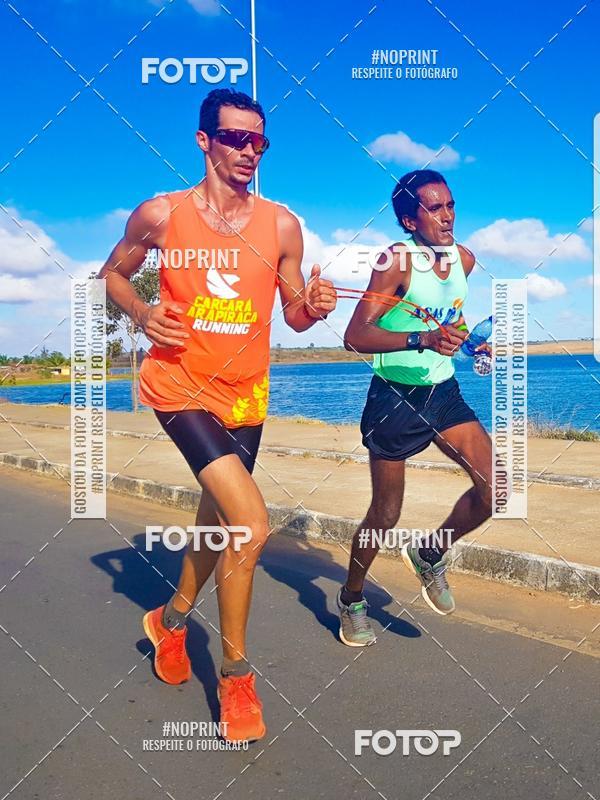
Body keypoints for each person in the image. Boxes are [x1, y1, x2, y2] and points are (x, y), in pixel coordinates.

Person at [99, 88, 336, 740]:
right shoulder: (162, 214)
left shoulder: (283, 225)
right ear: (204, 140)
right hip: (179, 387)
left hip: (246, 394)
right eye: (235, 137)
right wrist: (144, 314)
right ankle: (236, 675)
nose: (248, 151)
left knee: (218, 520)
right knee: (251, 525)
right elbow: (113, 275)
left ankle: (168, 624)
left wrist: (312, 306)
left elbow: (292, 311)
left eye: (258, 140)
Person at [336, 169, 492, 647]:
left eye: (450, 205)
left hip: (443, 394)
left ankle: (430, 553)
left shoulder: (463, 258)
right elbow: (355, 336)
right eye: (434, 208)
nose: (447, 216)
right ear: (409, 218)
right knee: (385, 513)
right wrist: (423, 338)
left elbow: (454, 314)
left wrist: (468, 344)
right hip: (395, 398)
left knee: (497, 489)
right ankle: (352, 598)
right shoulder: (395, 262)